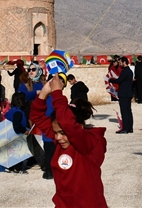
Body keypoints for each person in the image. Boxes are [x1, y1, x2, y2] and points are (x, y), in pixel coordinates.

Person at [31, 75, 108, 208]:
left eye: (62, 133)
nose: (58, 137)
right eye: (55, 133)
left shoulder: (88, 143)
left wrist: (57, 93)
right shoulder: (61, 143)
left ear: (80, 127)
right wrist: (44, 92)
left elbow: (66, 122)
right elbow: (36, 116)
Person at [5, 92, 32, 173]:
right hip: (16, 135)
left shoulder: (12, 110)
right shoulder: (18, 112)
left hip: (8, 134)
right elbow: (16, 126)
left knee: (11, 152)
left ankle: (10, 167)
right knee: (18, 151)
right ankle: (18, 168)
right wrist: (24, 130)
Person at [109, 57, 134, 133]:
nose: (119, 64)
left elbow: (119, 80)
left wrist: (110, 80)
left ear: (124, 62)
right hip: (128, 93)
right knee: (128, 111)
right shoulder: (130, 71)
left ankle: (125, 128)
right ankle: (129, 127)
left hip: (124, 94)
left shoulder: (125, 71)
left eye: (120, 63)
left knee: (124, 111)